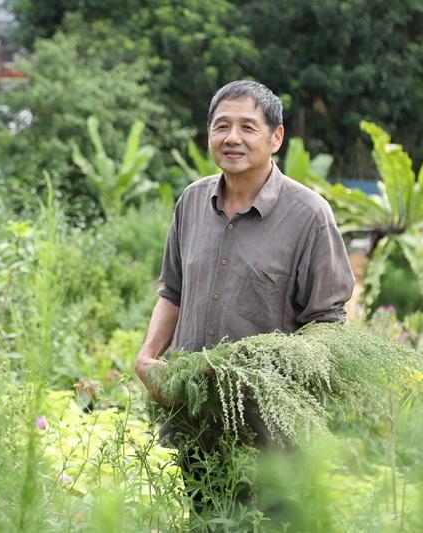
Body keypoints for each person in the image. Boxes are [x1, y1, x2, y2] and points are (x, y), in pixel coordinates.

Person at [134, 80, 355, 519]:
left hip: (270, 437)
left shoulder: (309, 215)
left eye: (248, 127)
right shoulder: (192, 202)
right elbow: (172, 291)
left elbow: (328, 324)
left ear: (276, 137)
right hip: (195, 422)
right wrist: (147, 356)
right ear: (209, 135)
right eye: (222, 126)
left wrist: (259, 370)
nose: (232, 138)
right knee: (205, 522)